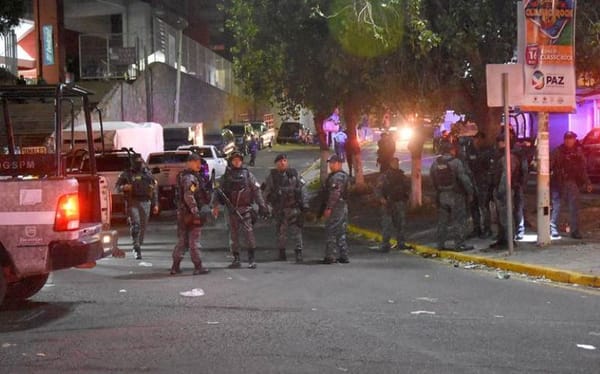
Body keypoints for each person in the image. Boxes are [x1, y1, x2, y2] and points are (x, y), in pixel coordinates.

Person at [211, 152, 269, 269]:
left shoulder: (248, 175)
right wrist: (215, 206)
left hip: (245, 208)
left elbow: (256, 191)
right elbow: (217, 192)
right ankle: (236, 258)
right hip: (231, 210)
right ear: (231, 162)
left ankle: (251, 258)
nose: (237, 162)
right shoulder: (226, 177)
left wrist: (262, 206)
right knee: (233, 235)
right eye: (234, 160)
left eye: (239, 160)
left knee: (249, 233)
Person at [170, 153, 211, 275]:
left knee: (182, 241)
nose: (199, 164)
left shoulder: (185, 176)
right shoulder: (190, 178)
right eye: (196, 162)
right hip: (190, 214)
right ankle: (198, 266)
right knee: (194, 241)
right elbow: (188, 196)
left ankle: (175, 267)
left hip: (183, 213)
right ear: (190, 162)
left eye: (199, 162)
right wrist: (195, 212)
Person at [262, 154, 307, 262]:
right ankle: (282, 253)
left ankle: (299, 252)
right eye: (280, 161)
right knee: (281, 232)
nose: (282, 163)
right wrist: (264, 206)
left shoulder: (294, 174)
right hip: (280, 210)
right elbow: (266, 192)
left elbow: (302, 190)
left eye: (284, 161)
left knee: (296, 232)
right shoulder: (272, 176)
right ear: (276, 164)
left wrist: (305, 205)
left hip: (293, 208)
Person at [429, 141, 474, 251]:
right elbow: (464, 179)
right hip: (456, 195)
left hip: (442, 195)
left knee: (442, 221)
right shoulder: (456, 162)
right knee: (459, 220)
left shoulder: (435, 164)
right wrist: (470, 192)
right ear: (451, 150)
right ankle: (459, 244)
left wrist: (438, 191)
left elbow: (432, 179)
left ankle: (440, 244)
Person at [115, 153, 159, 260]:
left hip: (146, 202)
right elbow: (117, 187)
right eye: (136, 161)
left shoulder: (147, 173)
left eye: (140, 161)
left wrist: (156, 203)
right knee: (136, 225)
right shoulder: (126, 174)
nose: (139, 163)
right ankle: (136, 247)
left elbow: (153, 189)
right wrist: (124, 187)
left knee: (143, 226)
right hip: (132, 201)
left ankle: (139, 243)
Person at [550, 131, 592, 239]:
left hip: (572, 182)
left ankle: (575, 231)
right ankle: (553, 228)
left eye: (571, 138)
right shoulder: (558, 151)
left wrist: (587, 182)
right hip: (559, 183)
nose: (569, 141)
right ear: (564, 140)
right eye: (567, 139)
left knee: (574, 208)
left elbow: (582, 169)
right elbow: (550, 165)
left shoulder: (578, 152)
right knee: (557, 206)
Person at [490, 133, 522, 248]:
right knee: (500, 217)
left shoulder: (509, 157)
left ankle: (509, 241)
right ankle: (502, 240)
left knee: (506, 217)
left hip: (505, 192)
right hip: (501, 190)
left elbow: (506, 176)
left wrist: (500, 191)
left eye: (501, 141)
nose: (499, 144)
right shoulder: (503, 156)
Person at [461, 132, 494, 238]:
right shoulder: (470, 150)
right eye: (474, 139)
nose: (475, 141)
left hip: (483, 183)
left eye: (477, 139)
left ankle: (487, 229)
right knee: (473, 207)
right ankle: (477, 229)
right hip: (472, 182)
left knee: (484, 207)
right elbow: (467, 164)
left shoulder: (488, 151)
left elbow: (488, 168)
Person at [376, 157, 411, 251]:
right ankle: (385, 244)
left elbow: (407, 187)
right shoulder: (385, 176)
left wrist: (406, 198)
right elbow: (378, 189)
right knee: (387, 225)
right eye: (394, 162)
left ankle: (401, 243)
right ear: (390, 163)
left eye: (397, 162)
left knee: (401, 224)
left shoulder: (401, 175)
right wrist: (382, 199)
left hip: (399, 202)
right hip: (388, 203)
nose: (396, 164)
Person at [322, 154, 351, 264]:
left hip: (336, 207)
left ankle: (330, 256)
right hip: (342, 206)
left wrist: (329, 208)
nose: (330, 165)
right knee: (341, 232)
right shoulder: (343, 176)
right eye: (330, 163)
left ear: (339, 164)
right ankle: (344, 255)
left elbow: (335, 193)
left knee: (331, 230)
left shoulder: (337, 177)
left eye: (333, 163)